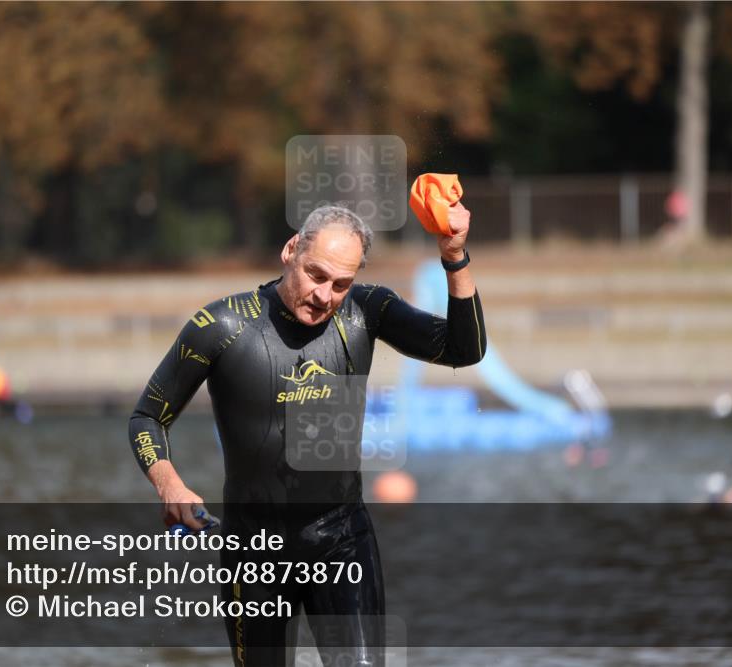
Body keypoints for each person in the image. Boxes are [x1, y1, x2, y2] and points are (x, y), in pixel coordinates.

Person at [129, 203, 486, 665]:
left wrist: (455, 255)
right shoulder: (222, 325)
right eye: (316, 275)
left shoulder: (367, 310)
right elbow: (147, 417)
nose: (325, 295)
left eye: (341, 284)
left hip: (342, 539)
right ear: (291, 250)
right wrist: (169, 484)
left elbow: (465, 348)